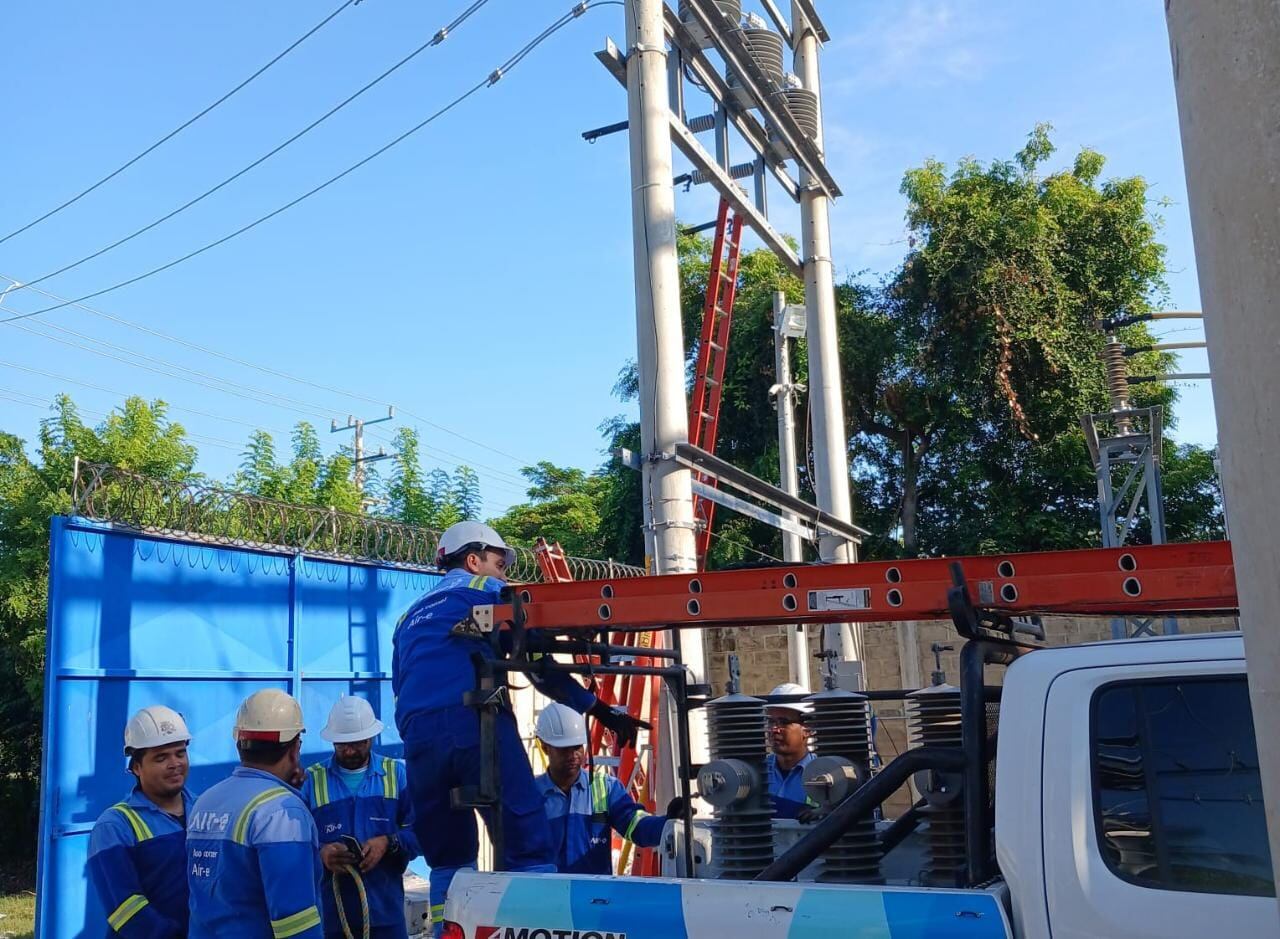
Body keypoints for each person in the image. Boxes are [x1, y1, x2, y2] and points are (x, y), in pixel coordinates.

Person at [392, 521, 644, 934]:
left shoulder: (409, 616)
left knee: (448, 857)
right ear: (473, 560)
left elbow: (401, 684)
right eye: (499, 562)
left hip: (418, 739)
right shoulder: (486, 592)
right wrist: (598, 709)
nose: (505, 573)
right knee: (526, 840)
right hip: (473, 720)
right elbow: (537, 665)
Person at [187, 689, 323, 938]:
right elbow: (296, 921)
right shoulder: (281, 813)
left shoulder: (204, 802)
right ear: (295, 749)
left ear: (240, 745)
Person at [300, 695, 421, 939]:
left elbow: (421, 834)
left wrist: (388, 842)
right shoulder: (312, 780)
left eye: (358, 743)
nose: (350, 750)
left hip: (385, 914)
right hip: (332, 917)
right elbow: (296, 844)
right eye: (342, 744)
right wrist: (322, 853)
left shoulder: (396, 775)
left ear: (371, 738)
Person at [532, 703, 683, 875]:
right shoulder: (531, 797)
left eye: (577, 747)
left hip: (594, 898)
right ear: (545, 747)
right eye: (564, 750)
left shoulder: (606, 788)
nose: (574, 756)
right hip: (547, 898)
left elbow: (635, 825)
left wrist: (668, 823)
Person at [88, 705, 195, 937]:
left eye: (180, 753)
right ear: (136, 767)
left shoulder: (204, 810)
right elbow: (125, 909)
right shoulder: (114, 826)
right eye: (161, 758)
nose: (175, 763)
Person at [764, 682, 818, 819]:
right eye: (771, 721)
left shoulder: (826, 773)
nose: (774, 729)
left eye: (784, 722)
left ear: (808, 729)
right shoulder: (756, 772)